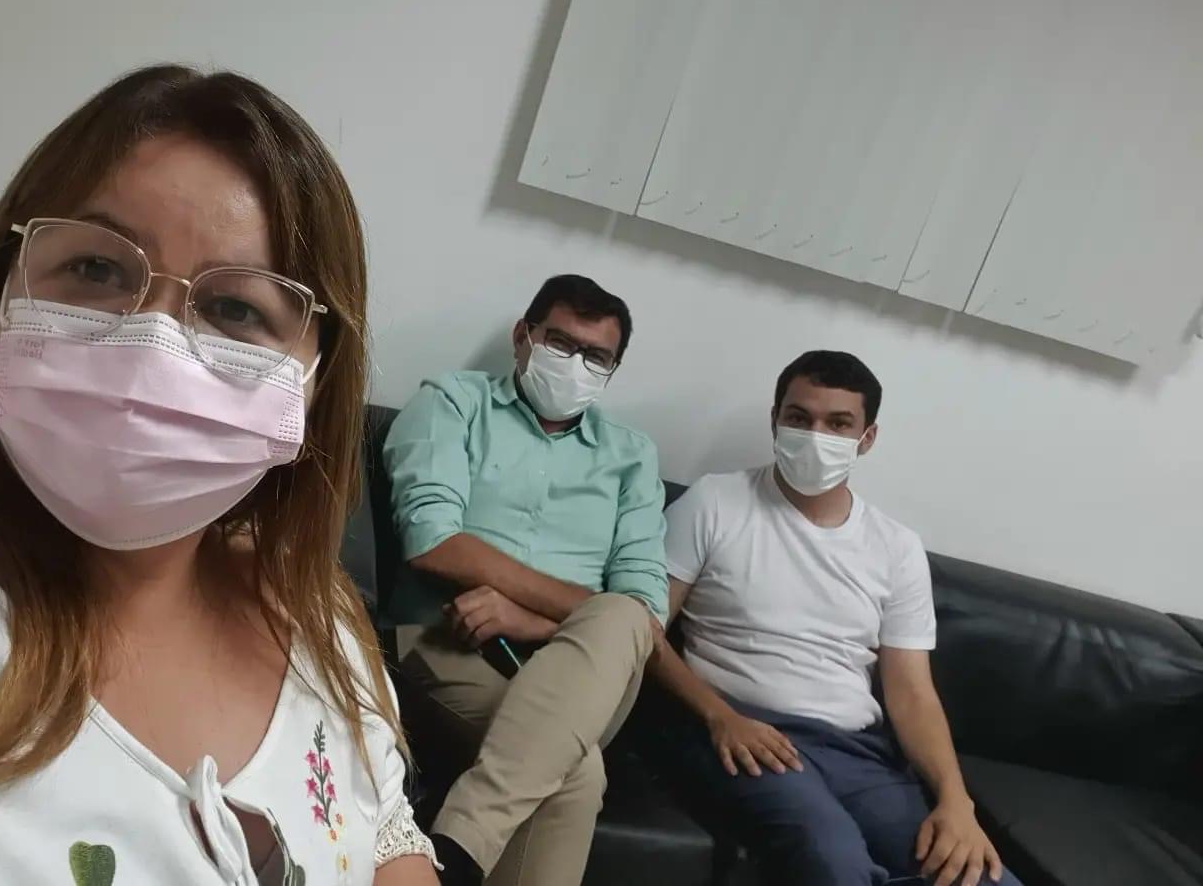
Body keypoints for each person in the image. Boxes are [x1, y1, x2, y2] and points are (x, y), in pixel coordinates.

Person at [0, 65, 438, 885]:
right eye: (96, 268)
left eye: (235, 309)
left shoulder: (319, 620)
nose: (148, 345)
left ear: (314, 385)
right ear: (2, 290)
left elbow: (387, 836)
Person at [649, 351, 1022, 886]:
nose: (815, 435)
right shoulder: (714, 502)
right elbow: (642, 628)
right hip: (745, 732)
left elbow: (913, 694)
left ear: (867, 438)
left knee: (979, 877)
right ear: (775, 420)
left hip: (858, 752)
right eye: (799, 418)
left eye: (838, 424)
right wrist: (718, 716)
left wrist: (955, 801)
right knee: (832, 862)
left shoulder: (897, 548)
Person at [382, 275, 666, 886]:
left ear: (612, 370)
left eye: (596, 357)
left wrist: (529, 618)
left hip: (587, 666)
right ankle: (456, 859)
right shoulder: (454, 401)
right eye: (560, 343)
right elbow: (432, 541)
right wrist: (570, 609)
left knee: (624, 617)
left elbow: (643, 610)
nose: (576, 365)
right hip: (449, 642)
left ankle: (454, 852)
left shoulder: (631, 455)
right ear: (523, 337)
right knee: (576, 773)